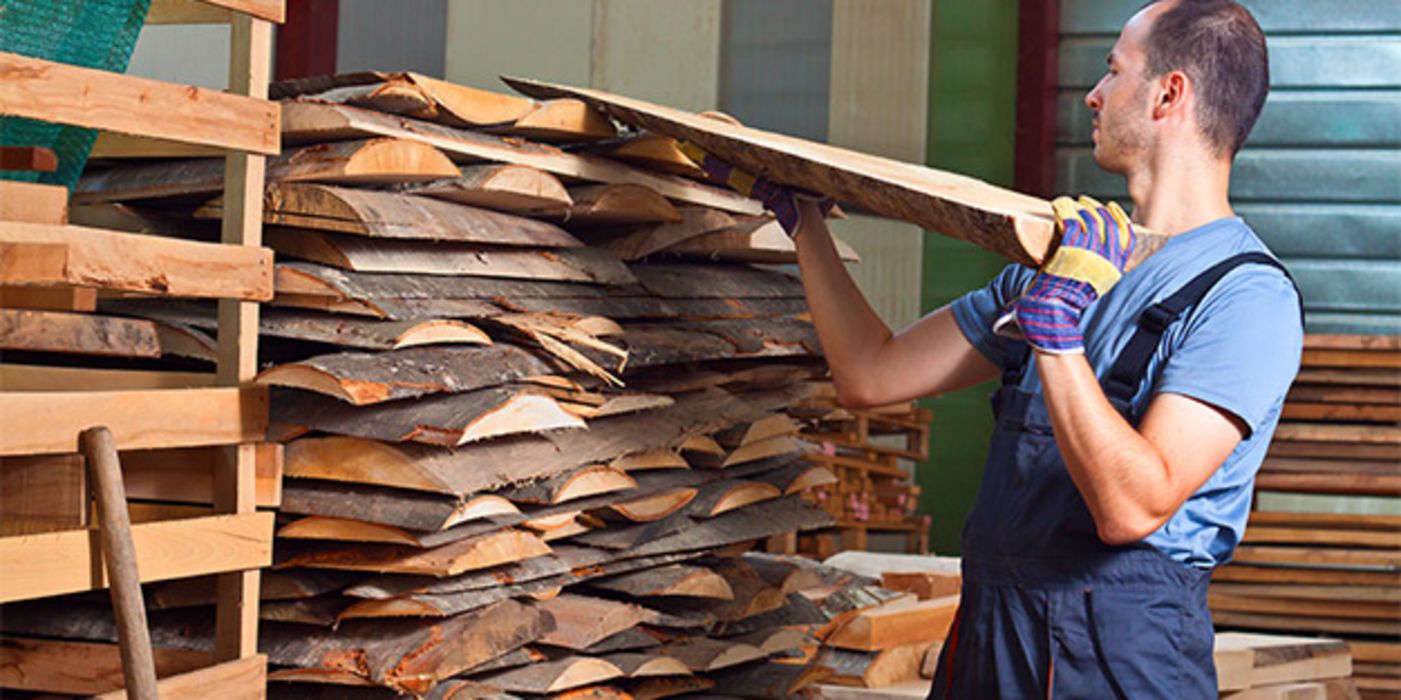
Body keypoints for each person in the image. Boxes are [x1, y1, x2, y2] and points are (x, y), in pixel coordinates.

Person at [685, 0, 1302, 696]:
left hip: (1114, 659)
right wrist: (805, 228)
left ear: (1169, 93)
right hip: (989, 633)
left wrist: (1057, 332)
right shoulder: (1058, 264)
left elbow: (1133, 508)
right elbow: (870, 373)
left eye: (1112, 70)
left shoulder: (1244, 298)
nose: (1092, 95)